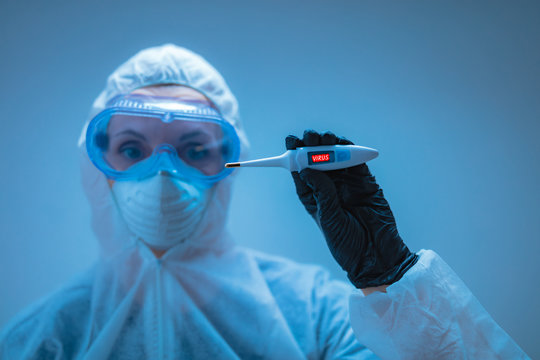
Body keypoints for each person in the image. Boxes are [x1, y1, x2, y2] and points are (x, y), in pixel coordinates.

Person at [0, 44, 529, 359]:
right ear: (99, 169)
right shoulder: (42, 340)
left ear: (229, 166)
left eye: (194, 149)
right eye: (132, 149)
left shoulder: (319, 315)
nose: (163, 174)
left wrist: (391, 281)